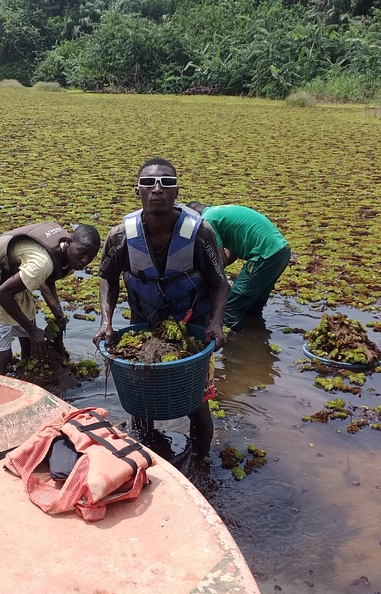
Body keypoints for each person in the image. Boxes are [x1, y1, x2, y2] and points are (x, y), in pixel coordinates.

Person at [93, 158, 228, 454]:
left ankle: (202, 462)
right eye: (149, 183)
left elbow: (220, 283)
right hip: (146, 323)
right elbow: (107, 278)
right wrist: (106, 321)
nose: (157, 189)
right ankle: (147, 455)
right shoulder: (120, 236)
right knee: (141, 399)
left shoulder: (200, 233)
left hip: (192, 325)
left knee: (198, 402)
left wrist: (216, 323)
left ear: (176, 191)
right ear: (137, 191)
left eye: (166, 182)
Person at [0, 222, 101, 375]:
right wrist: (32, 330)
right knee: (3, 355)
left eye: (90, 258)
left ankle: (24, 380)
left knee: (31, 346)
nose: (85, 261)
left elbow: (46, 280)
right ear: (70, 242)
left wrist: (58, 314)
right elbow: (2, 294)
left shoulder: (68, 259)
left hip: (16, 280)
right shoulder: (41, 264)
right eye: (82, 253)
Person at [186, 202, 290, 331]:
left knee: (230, 308)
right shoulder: (219, 212)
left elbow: (219, 261)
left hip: (265, 256)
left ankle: (236, 344)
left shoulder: (207, 220)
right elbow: (231, 255)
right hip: (281, 252)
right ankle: (256, 339)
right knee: (252, 306)